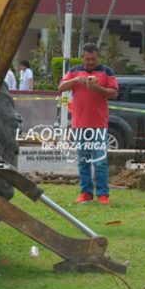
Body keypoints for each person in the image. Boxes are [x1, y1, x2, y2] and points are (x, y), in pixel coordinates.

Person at [58, 43, 118, 204]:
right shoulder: (74, 71)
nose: (90, 62)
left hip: (99, 124)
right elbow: (61, 87)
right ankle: (86, 193)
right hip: (79, 124)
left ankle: (103, 194)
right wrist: (77, 79)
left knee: (100, 162)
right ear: (83, 58)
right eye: (87, 59)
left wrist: (98, 88)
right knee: (83, 161)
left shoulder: (107, 72)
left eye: (93, 59)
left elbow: (114, 93)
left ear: (98, 57)